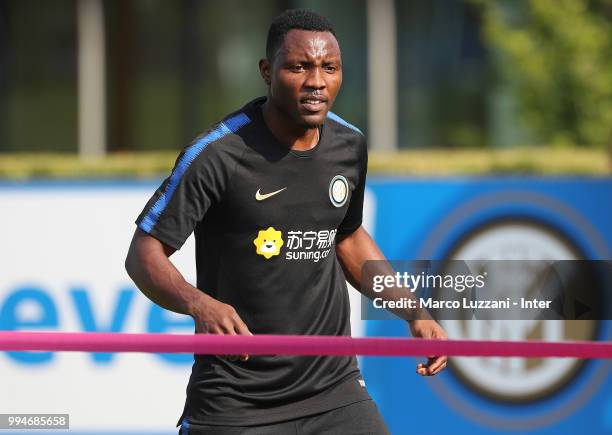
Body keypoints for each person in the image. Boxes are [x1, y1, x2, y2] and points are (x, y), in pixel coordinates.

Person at [125, 8, 447, 435]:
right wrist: (198, 304)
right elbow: (143, 254)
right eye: (299, 67)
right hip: (236, 401)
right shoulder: (218, 154)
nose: (317, 81)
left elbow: (347, 237)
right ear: (266, 70)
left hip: (335, 391)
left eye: (329, 68)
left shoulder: (349, 145)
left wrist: (413, 310)